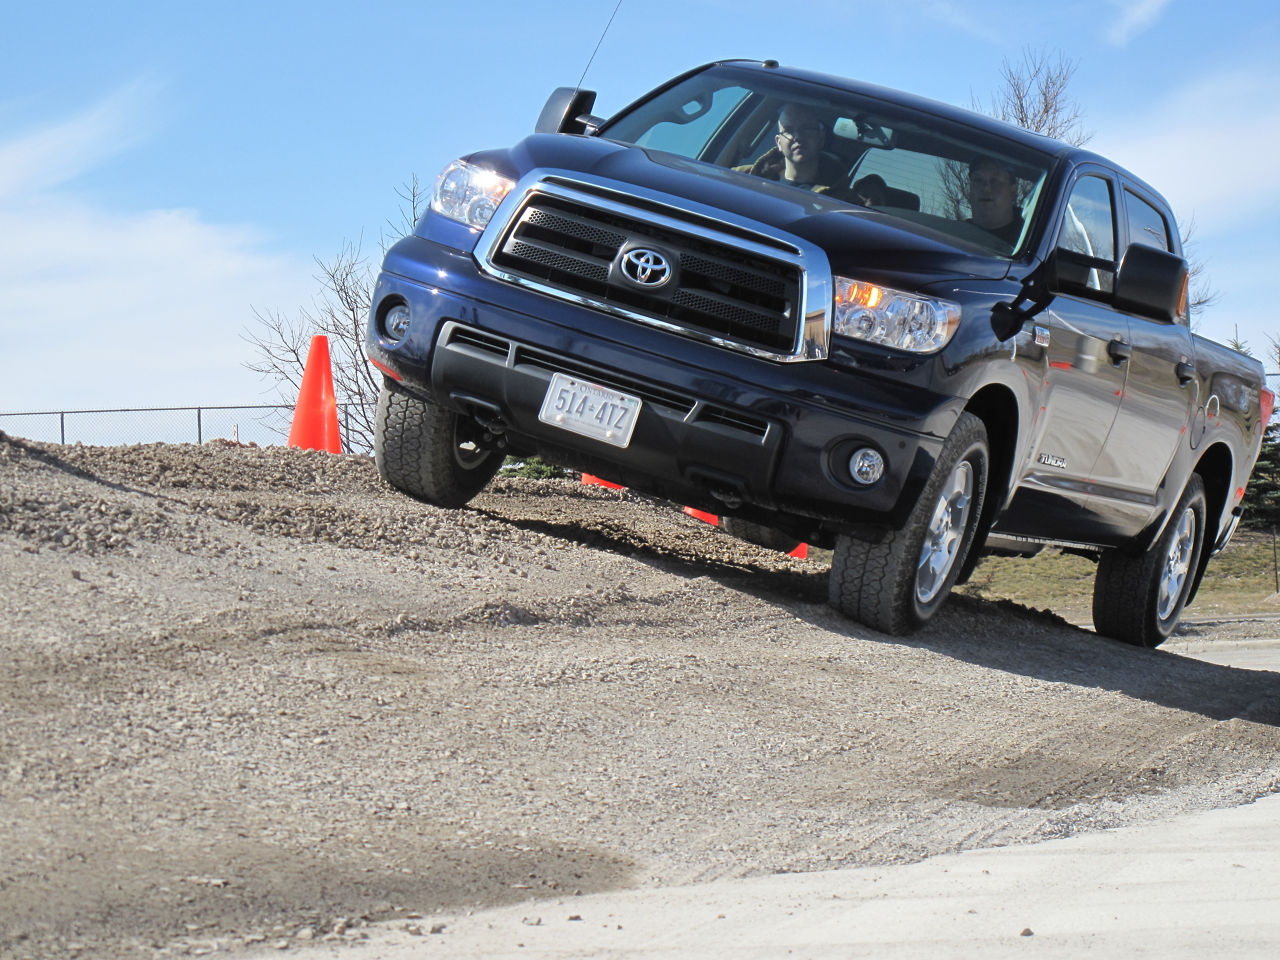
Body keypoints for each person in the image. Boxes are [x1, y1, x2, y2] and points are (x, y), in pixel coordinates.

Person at [736, 104, 851, 197]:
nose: (797, 137)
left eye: (806, 129)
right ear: (779, 143)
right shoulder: (742, 177)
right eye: (789, 130)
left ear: (820, 138)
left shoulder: (842, 201)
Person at [967, 156, 1024, 245]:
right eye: (978, 180)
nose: (986, 188)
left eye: (995, 181)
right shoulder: (950, 236)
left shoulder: (1030, 240)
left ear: (1013, 192)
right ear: (970, 190)